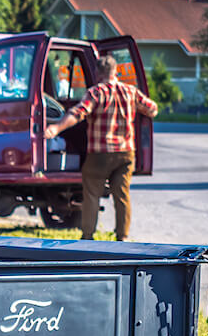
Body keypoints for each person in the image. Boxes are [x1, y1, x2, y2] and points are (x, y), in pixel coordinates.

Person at [45, 54, 158, 241]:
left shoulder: (96, 93)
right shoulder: (130, 92)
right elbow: (152, 109)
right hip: (125, 153)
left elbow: (78, 113)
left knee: (91, 195)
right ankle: (122, 237)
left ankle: (88, 236)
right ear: (116, 72)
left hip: (100, 153)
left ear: (98, 73)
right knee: (122, 196)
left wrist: (57, 127)